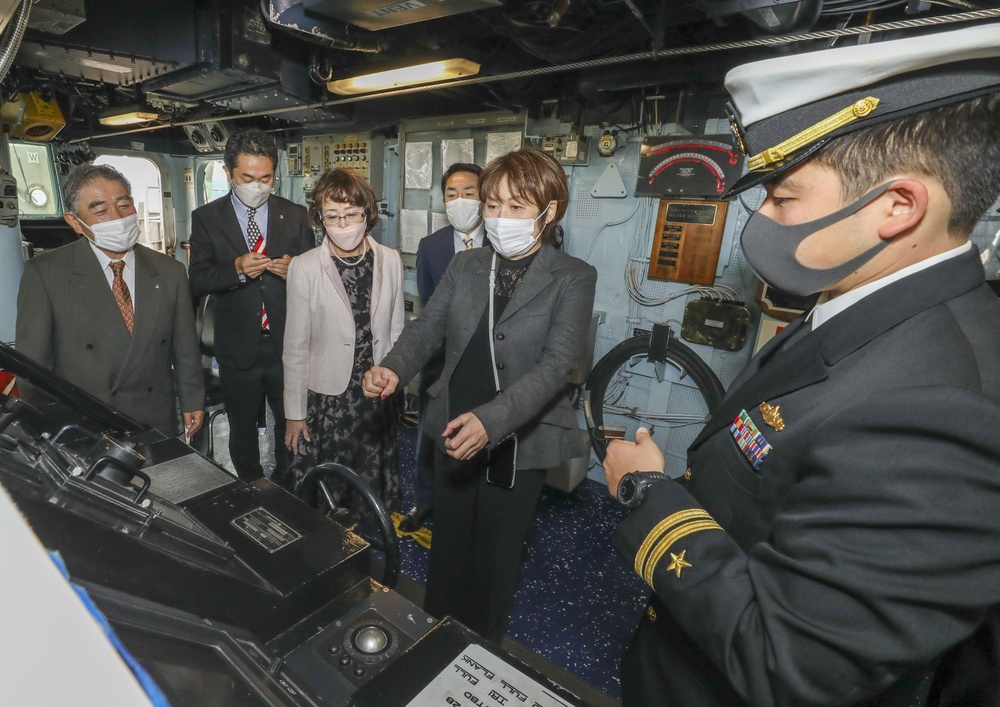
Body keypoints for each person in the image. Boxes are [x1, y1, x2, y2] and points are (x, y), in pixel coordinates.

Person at [604, 24, 1000, 706]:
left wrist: (649, 495)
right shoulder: (867, 307)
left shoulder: (945, 404)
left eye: (785, 198)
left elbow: (790, 664)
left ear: (897, 207)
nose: (766, 218)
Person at [364, 148, 597, 643]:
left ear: (548, 211)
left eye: (516, 207)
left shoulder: (573, 277)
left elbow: (558, 365)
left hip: (517, 436)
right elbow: (428, 327)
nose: (499, 218)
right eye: (492, 205)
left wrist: (491, 422)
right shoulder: (468, 265)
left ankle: (479, 653)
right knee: (448, 548)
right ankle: (437, 639)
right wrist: (393, 368)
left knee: (495, 558)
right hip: (453, 424)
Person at [16, 163, 205, 437]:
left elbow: (185, 346)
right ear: (74, 222)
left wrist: (192, 400)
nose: (117, 217)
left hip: (155, 415)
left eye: (123, 204)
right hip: (86, 420)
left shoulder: (169, 270)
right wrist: (49, 425)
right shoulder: (46, 273)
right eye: (100, 210)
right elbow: (34, 367)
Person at [189, 128, 314, 484]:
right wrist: (236, 270)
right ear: (228, 174)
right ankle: (250, 486)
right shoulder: (206, 218)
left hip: (286, 345)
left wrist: (298, 274)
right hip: (237, 346)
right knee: (242, 429)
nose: (257, 186)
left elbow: (319, 285)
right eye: (247, 177)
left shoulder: (296, 215)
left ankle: (289, 489)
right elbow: (197, 280)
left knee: (292, 425)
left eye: (266, 178)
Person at [283, 168, 404, 515]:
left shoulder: (390, 260)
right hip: (328, 398)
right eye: (332, 216)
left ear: (367, 212)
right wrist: (294, 413)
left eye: (351, 214)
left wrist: (397, 384)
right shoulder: (304, 268)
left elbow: (396, 331)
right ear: (320, 218)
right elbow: (295, 347)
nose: (343, 223)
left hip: (376, 390)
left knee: (370, 488)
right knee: (330, 493)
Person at [402, 161, 487, 533]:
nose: (460, 200)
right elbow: (427, 303)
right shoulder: (431, 246)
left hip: (486, 359)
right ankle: (425, 502)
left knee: (479, 434)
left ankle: (472, 507)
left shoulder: (502, 242)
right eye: (452, 194)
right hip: (440, 360)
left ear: (484, 197)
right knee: (429, 433)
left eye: (469, 192)